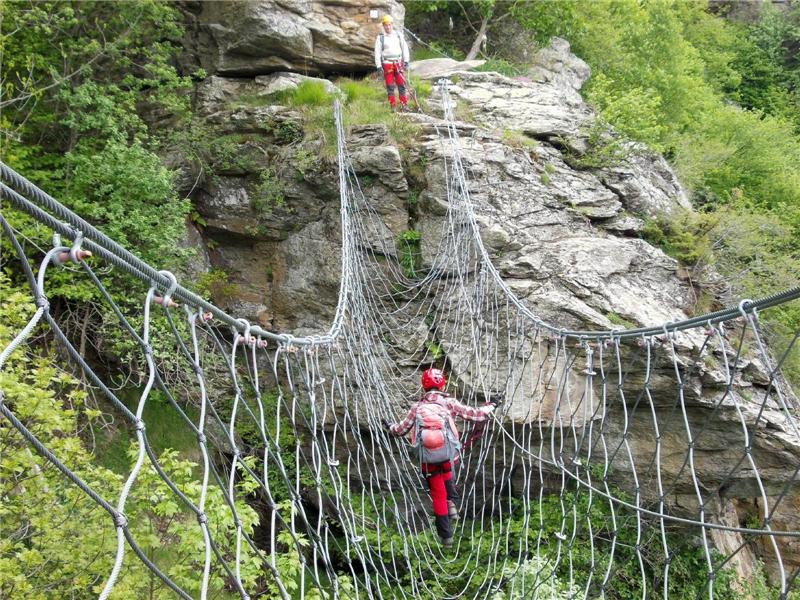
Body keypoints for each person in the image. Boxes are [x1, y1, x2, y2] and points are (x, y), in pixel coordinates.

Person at [383, 368, 499, 548]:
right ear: (442, 383)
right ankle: (452, 506)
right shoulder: (449, 403)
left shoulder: (417, 408)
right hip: (447, 457)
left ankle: (446, 538)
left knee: (437, 494)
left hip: (428, 462)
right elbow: (476, 414)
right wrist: (492, 405)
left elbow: (400, 430)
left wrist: (390, 426)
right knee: (448, 468)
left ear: (424, 386)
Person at [374, 14, 410, 110]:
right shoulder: (380, 38)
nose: (388, 27)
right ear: (383, 26)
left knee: (401, 85)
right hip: (387, 64)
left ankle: (404, 105)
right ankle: (393, 106)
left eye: (389, 24)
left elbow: (404, 48)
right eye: (386, 25)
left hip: (398, 62)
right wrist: (378, 66)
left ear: (392, 24)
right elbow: (377, 53)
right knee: (390, 86)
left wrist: (406, 61)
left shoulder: (398, 35)